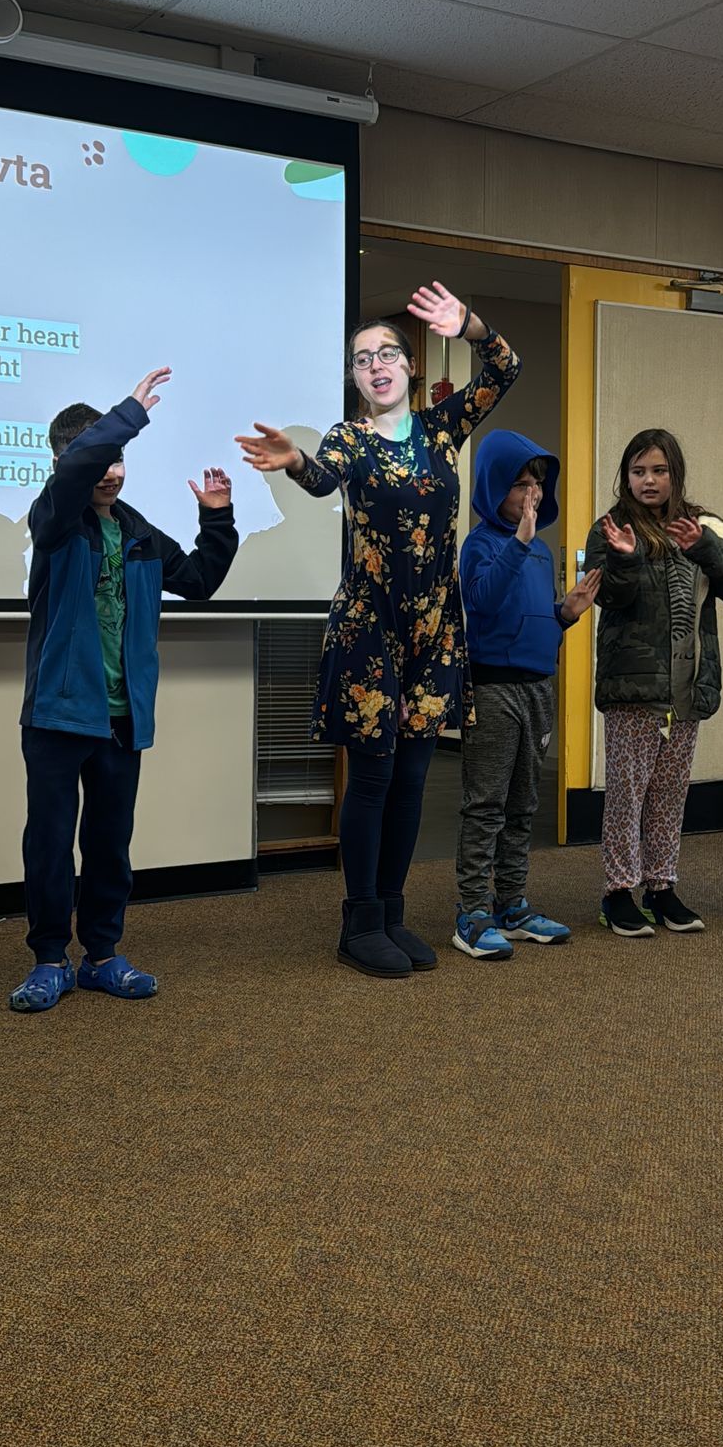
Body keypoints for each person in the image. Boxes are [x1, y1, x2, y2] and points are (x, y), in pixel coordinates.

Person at [237, 285, 519, 979]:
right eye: (363, 359)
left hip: (434, 625)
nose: (377, 365)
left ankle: (392, 913)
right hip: (370, 626)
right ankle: (359, 921)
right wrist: (296, 461)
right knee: (373, 775)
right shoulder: (348, 439)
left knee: (415, 777)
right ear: (355, 378)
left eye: (388, 352)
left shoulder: (440, 428)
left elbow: (505, 368)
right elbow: (318, 476)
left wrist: (472, 327)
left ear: (411, 365)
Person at [10, 368, 238, 1013]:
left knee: (110, 843)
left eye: (120, 459)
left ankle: (101, 956)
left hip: (121, 717)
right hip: (58, 714)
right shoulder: (54, 518)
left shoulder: (138, 533)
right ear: (64, 463)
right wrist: (126, 416)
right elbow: (78, 470)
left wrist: (216, 520)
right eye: (99, 459)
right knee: (51, 843)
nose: (110, 470)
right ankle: (50, 959)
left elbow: (197, 581)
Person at [585, 428, 723, 938]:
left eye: (658, 470)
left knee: (668, 792)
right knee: (627, 791)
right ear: (626, 477)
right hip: (633, 686)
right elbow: (610, 598)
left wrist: (706, 545)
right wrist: (623, 556)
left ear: (675, 474)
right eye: (638, 471)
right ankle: (617, 892)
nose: (649, 480)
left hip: (687, 683)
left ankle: (661, 887)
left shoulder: (703, 526)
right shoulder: (612, 527)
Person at [454, 432, 600, 959]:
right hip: (493, 690)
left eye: (537, 483)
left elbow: (534, 622)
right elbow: (484, 601)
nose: (532, 493)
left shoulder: (538, 551)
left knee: (523, 804)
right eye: (520, 484)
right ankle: (470, 911)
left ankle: (511, 904)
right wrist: (516, 542)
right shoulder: (483, 544)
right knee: (486, 803)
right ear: (496, 488)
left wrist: (566, 613)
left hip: (538, 687)